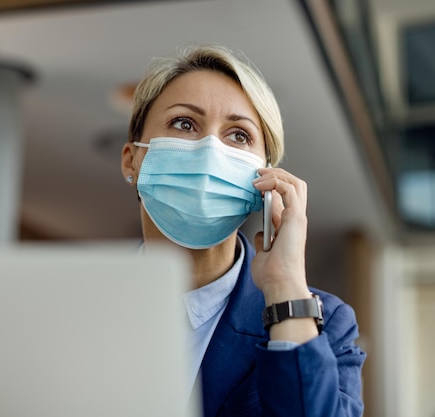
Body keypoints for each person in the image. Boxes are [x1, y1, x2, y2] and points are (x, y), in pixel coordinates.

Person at [120, 44, 365, 417]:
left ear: (264, 178)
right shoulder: (68, 303)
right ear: (132, 159)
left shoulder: (327, 325)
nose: (209, 151)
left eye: (238, 135)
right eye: (184, 123)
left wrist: (285, 290)